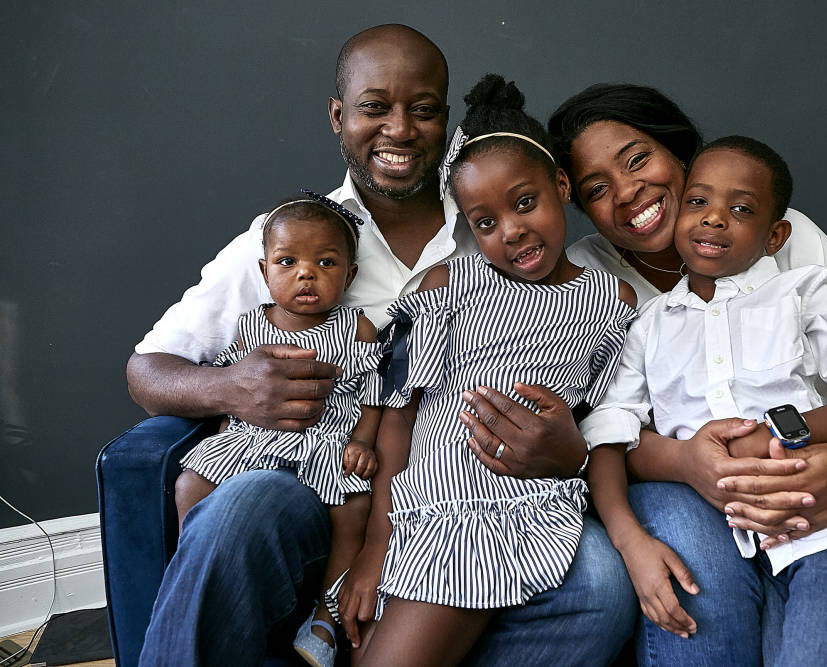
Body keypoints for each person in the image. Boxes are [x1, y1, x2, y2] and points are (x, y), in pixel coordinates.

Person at [128, 26, 635, 665]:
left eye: (422, 110)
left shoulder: (498, 210)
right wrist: (230, 387)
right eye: (375, 108)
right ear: (339, 117)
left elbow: (595, 378)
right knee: (239, 507)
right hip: (317, 494)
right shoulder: (291, 237)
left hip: (479, 496)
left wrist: (571, 452)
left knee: (599, 583)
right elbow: (145, 370)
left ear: (446, 121)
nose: (399, 129)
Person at [507, 83, 827, 666]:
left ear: (680, 156)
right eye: (597, 188)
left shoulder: (791, 252)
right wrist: (686, 465)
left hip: (822, 457)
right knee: (704, 562)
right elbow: (601, 431)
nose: (628, 192)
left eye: (638, 160)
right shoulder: (590, 280)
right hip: (680, 484)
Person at [585, 135, 827, 665]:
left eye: (740, 209)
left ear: (776, 235)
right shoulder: (649, 325)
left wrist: (781, 431)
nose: (713, 219)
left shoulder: (807, 291)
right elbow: (609, 432)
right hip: (731, 538)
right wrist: (628, 536)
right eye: (698, 202)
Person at [343, 74, 637, 666]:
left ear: (560, 185)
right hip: (423, 506)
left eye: (524, 203)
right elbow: (399, 411)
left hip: (508, 513)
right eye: (484, 222)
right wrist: (376, 546)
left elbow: (602, 419)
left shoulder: (612, 301)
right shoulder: (452, 285)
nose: (512, 230)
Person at [170, 194, 381, 666]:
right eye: (289, 262)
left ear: (348, 275)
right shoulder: (247, 325)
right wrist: (227, 413)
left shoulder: (356, 327)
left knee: (356, 508)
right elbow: (228, 379)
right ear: (265, 273)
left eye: (326, 263)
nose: (307, 273)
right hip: (253, 439)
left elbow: (374, 393)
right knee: (190, 481)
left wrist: (364, 440)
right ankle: (193, 577)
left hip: (324, 442)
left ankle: (326, 618)